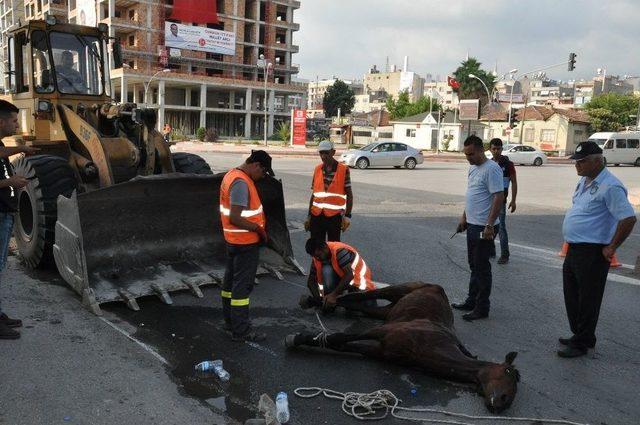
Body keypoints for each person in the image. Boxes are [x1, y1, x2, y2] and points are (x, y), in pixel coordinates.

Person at [558, 141, 636, 358]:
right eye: (576, 161)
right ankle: (581, 335)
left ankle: (581, 342)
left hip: (593, 252)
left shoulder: (611, 186)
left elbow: (628, 218)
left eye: (582, 162)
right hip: (574, 249)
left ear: (597, 161)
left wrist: (612, 247)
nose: (577, 166)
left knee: (588, 299)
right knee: (572, 295)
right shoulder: (585, 181)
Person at [219, 150, 274, 342]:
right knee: (242, 289)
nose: (263, 177)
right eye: (264, 172)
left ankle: (230, 322)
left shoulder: (232, 175)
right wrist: (258, 230)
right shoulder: (241, 182)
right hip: (245, 244)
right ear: (256, 165)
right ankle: (241, 331)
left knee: (229, 285)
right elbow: (235, 217)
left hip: (233, 242)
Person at [451, 135, 504, 321]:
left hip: (485, 227)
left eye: (471, 154)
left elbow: (499, 197)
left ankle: (482, 308)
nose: (469, 158)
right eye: (466, 154)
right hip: (473, 225)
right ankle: (471, 300)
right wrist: (464, 217)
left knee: (481, 267)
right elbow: (473, 195)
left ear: (482, 150)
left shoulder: (492, 169)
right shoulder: (473, 169)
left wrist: (490, 224)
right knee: (474, 265)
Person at [0, 100, 38, 340]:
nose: (17, 125)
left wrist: (19, 150)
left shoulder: (1, 145)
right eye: (14, 120)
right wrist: (10, 183)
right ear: (0, 121)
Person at [301, 238, 376, 310]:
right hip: (343, 279)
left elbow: (349, 275)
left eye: (318, 255)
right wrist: (319, 300)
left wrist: (334, 295)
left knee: (366, 305)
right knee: (327, 271)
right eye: (314, 256)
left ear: (324, 248)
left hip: (358, 280)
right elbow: (311, 282)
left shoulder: (339, 251)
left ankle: (336, 296)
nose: (317, 258)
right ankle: (330, 299)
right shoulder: (317, 257)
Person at [304, 140, 353, 242]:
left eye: (326, 153)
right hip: (316, 216)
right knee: (316, 248)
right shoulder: (317, 169)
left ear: (333, 152)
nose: (323, 156)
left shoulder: (344, 170)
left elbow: (349, 195)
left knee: (333, 247)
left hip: (334, 217)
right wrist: (309, 216)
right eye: (321, 153)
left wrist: (348, 216)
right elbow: (314, 195)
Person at [489, 138, 518, 264]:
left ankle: (505, 255)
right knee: (489, 225)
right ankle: (491, 251)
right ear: (490, 149)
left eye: (498, 149)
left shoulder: (508, 164)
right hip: (489, 200)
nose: (496, 151)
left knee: (501, 227)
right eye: (494, 149)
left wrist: (513, 200)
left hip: (501, 200)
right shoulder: (488, 164)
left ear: (502, 149)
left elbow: (514, 182)